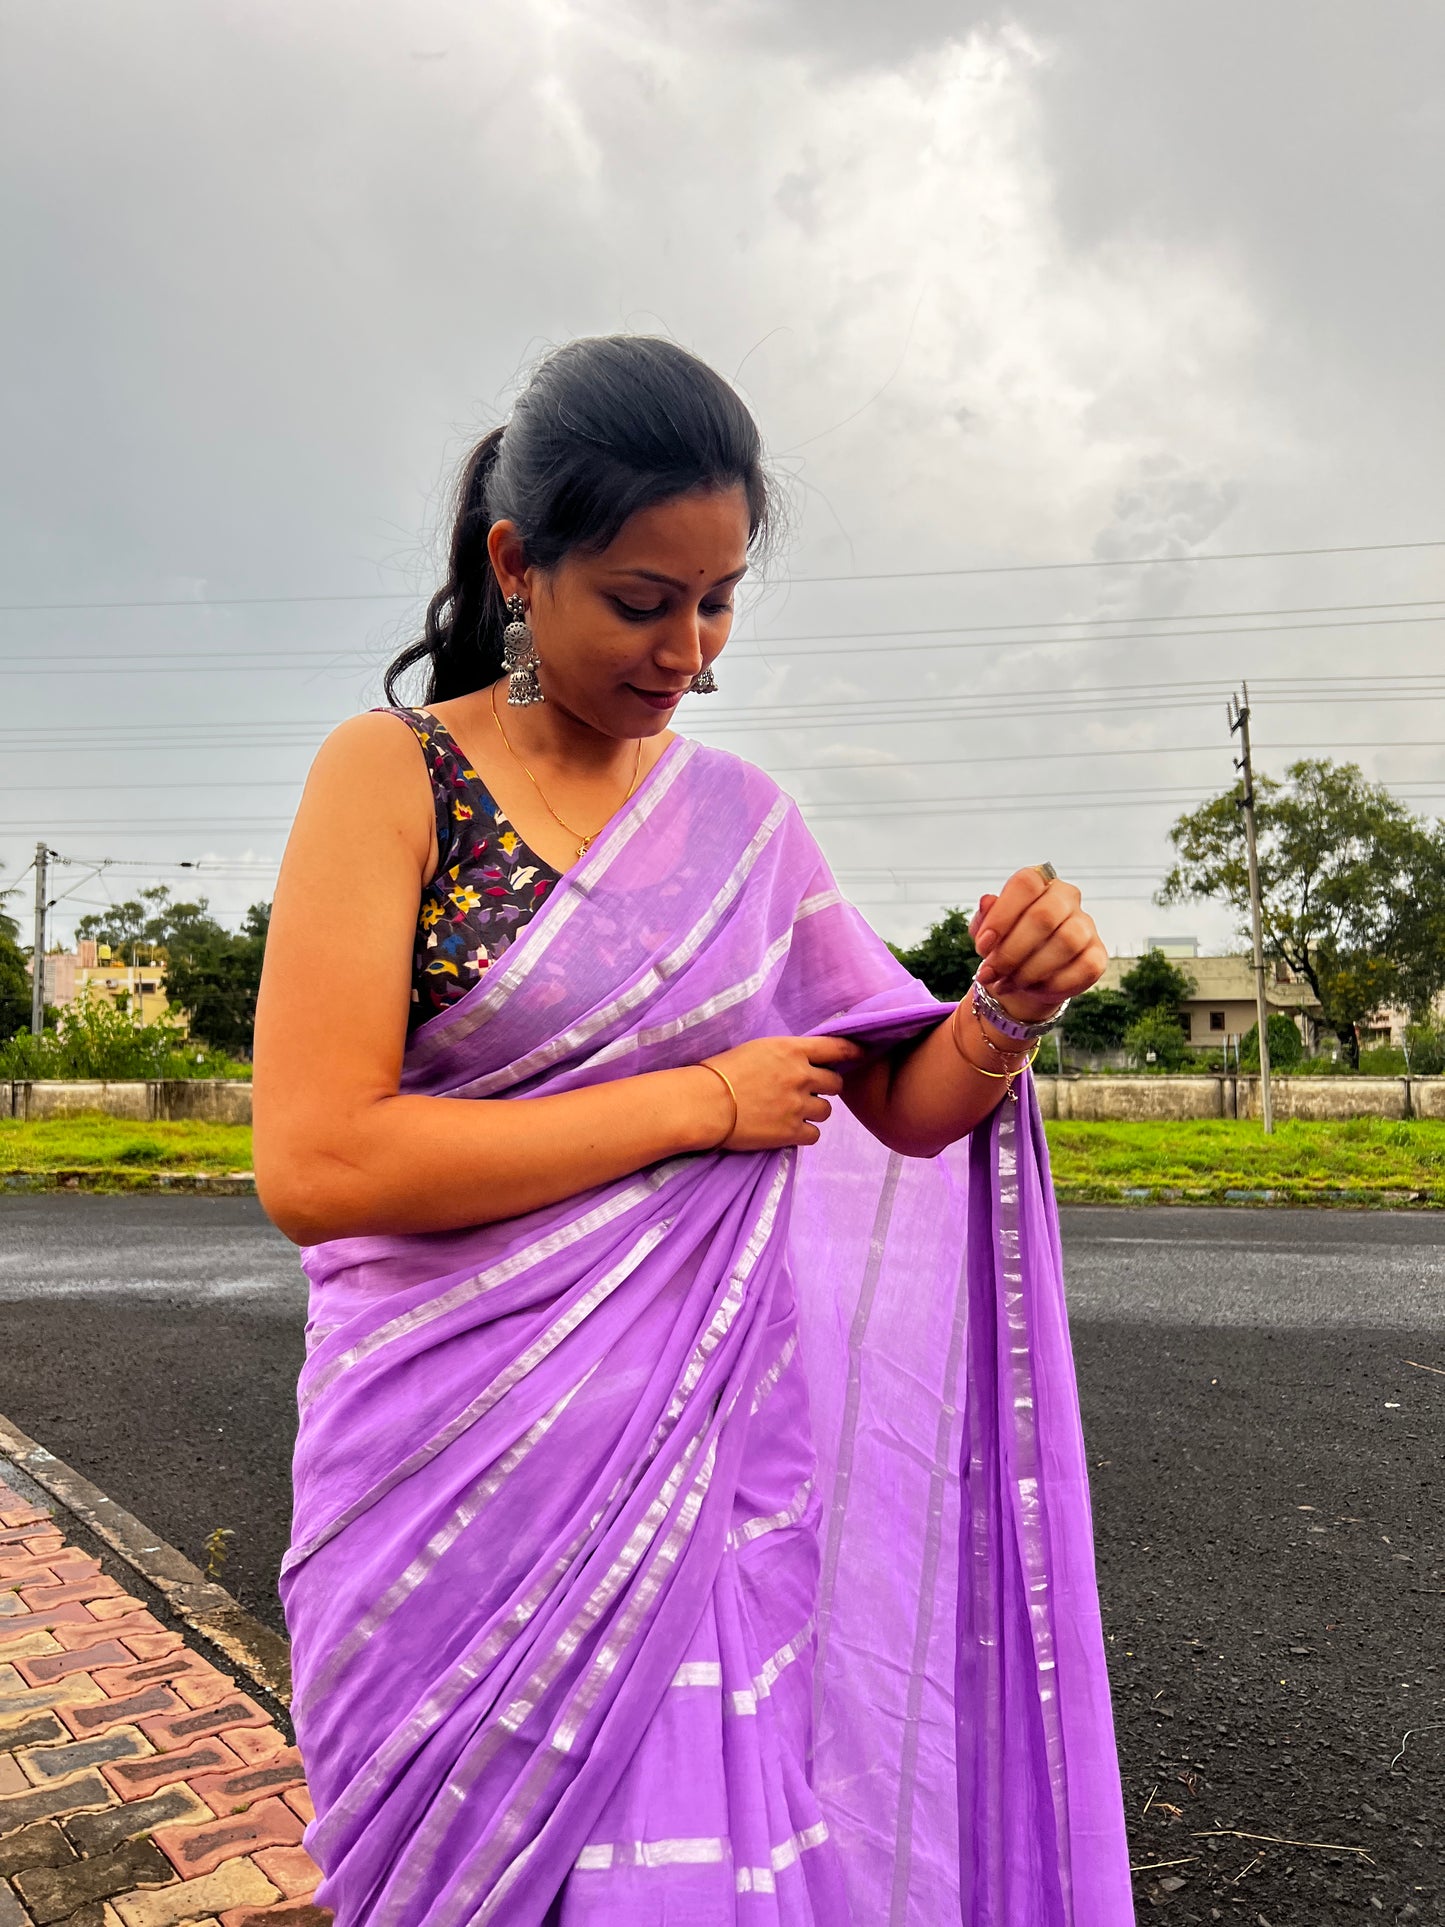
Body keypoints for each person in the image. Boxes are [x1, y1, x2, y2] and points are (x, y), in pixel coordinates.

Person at [252, 334, 1133, 1925]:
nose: (690, 650)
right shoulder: (396, 779)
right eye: (643, 603)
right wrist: (697, 1106)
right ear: (520, 566)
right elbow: (320, 1165)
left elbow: (900, 1106)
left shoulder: (739, 824)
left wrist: (1004, 1006)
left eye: (719, 600)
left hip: (689, 1491)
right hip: (444, 1484)